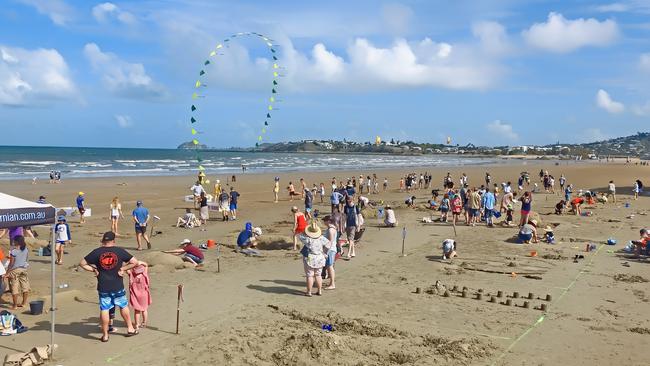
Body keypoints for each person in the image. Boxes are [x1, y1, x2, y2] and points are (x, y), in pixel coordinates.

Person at [79, 231, 138, 342]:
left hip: (103, 285)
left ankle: (105, 335)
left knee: (105, 309)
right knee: (123, 306)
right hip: (117, 285)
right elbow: (135, 262)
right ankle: (130, 328)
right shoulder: (119, 251)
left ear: (103, 241)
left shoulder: (97, 252)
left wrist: (94, 269)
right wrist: (123, 269)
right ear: (113, 241)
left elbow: (82, 263)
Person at [299, 222, 327, 297]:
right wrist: (324, 252)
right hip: (320, 257)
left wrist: (305, 231)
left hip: (310, 257)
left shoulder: (308, 239)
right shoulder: (321, 238)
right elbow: (328, 244)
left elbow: (300, 236)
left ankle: (309, 292)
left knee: (310, 275)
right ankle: (319, 290)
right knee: (318, 275)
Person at [7, 236, 30, 310]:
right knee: (25, 286)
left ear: (17, 242)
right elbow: (25, 259)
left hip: (15, 270)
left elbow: (11, 263)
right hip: (23, 269)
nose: (13, 242)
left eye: (14, 241)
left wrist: (7, 272)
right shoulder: (26, 249)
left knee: (14, 288)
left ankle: (15, 305)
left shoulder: (14, 251)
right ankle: (23, 303)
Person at [128, 261, 151, 330]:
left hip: (136, 295)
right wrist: (140, 262)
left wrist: (131, 264)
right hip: (144, 294)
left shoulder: (131, 274)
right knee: (144, 310)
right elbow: (146, 265)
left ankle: (137, 325)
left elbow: (126, 269)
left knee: (137, 311)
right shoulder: (145, 274)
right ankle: (144, 323)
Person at [322, 215, 337, 290]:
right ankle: (331, 283)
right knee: (329, 267)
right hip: (331, 249)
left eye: (325, 220)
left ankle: (332, 284)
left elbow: (330, 242)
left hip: (330, 250)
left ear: (328, 221)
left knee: (330, 267)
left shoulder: (331, 230)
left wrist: (325, 252)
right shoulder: (332, 228)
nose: (324, 222)